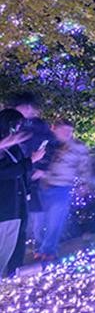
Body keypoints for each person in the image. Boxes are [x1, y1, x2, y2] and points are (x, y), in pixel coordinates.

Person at [6, 92, 53, 275]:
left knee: (21, 225)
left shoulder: (37, 127)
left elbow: (49, 147)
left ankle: (14, 268)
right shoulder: (9, 126)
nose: (29, 111)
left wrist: (40, 167)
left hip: (24, 184)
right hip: (12, 185)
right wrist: (31, 162)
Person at [34, 120, 90, 261]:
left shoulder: (77, 147)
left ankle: (48, 251)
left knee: (55, 221)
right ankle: (40, 247)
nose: (67, 134)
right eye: (63, 130)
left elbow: (85, 166)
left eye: (69, 131)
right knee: (37, 223)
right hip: (40, 186)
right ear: (54, 129)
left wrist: (83, 184)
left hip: (61, 187)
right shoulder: (46, 143)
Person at [0, 109, 34, 274]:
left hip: (16, 199)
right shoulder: (4, 145)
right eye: (17, 125)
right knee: (5, 240)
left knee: (16, 237)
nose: (19, 129)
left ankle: (14, 270)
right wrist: (30, 161)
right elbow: (4, 172)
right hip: (5, 202)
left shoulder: (12, 146)